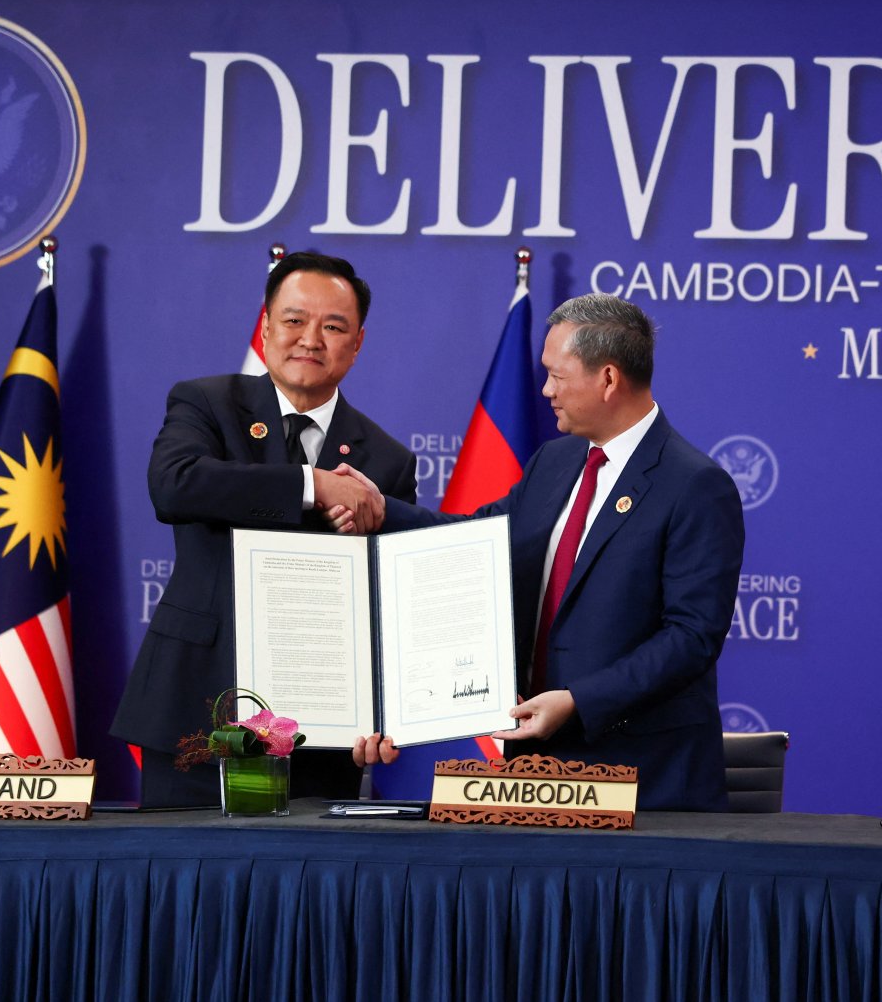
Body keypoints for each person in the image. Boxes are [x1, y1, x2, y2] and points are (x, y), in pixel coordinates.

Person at [334, 294, 744, 812]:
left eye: (557, 375)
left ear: (609, 378)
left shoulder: (695, 485)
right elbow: (477, 541)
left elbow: (691, 638)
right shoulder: (556, 459)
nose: (546, 390)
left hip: (647, 780)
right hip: (538, 765)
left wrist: (578, 701)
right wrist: (380, 510)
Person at [110, 252, 415, 807]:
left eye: (333, 326)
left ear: (358, 342)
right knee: (187, 883)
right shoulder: (205, 403)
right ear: (267, 325)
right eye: (295, 320)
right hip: (195, 705)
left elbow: (389, 604)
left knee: (304, 886)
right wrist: (314, 486)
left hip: (323, 727)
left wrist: (382, 711)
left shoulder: (387, 462)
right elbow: (175, 485)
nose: (311, 339)